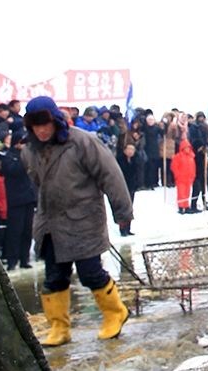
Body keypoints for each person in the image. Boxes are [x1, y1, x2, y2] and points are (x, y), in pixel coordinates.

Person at [20, 96, 132, 346]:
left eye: (45, 124)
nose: (41, 130)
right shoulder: (29, 150)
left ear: (55, 121)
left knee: (90, 273)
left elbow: (110, 174)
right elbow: (38, 184)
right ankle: (59, 327)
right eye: (35, 125)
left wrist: (122, 211)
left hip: (84, 219)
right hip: (51, 223)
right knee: (54, 277)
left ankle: (116, 312)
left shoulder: (81, 141)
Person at [0, 131, 36, 269]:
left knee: (27, 231)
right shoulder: (8, 157)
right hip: (15, 200)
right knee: (15, 231)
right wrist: (23, 158)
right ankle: (12, 260)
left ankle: (24, 258)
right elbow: (12, 171)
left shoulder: (30, 155)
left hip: (28, 198)